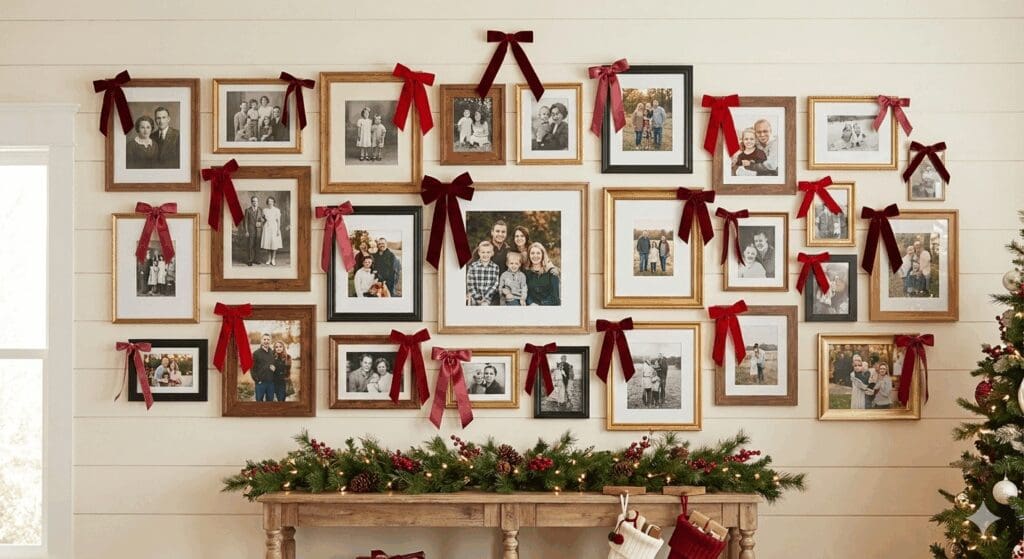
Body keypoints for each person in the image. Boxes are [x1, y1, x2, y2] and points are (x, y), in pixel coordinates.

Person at [466, 241, 500, 306]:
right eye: (483, 252)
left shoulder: (495, 267)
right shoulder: (473, 266)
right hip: (474, 297)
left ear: (492, 253)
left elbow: (495, 284)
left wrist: (486, 298)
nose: (485, 254)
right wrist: (478, 298)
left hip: (489, 298)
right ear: (479, 253)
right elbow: (470, 285)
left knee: (485, 306)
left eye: (488, 252)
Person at [251, 334, 277, 402]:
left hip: (270, 383)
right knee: (259, 403)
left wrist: (275, 369)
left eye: (268, 339)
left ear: (270, 341)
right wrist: (257, 380)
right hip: (260, 383)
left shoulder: (273, 353)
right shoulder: (256, 353)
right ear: (261, 341)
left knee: (270, 402)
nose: (266, 341)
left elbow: (275, 365)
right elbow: (252, 368)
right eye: (264, 339)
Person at [261, 196, 283, 266]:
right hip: (267, 228)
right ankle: (269, 259)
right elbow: (263, 219)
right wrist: (261, 222)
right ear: (267, 202)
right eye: (269, 201)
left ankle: (273, 259)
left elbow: (278, 221)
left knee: (274, 244)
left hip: (274, 227)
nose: (270, 202)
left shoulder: (277, 210)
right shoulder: (265, 210)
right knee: (268, 243)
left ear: (274, 202)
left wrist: (278, 230)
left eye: (271, 201)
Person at [242, 196, 264, 266]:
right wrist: (246, 231)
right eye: (253, 201)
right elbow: (245, 222)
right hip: (250, 231)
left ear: (258, 202)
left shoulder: (260, 210)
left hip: (258, 231)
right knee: (250, 246)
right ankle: (250, 260)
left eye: (256, 201)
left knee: (257, 246)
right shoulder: (247, 210)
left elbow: (264, 219)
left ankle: (256, 260)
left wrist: (261, 222)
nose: (255, 202)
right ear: (251, 202)